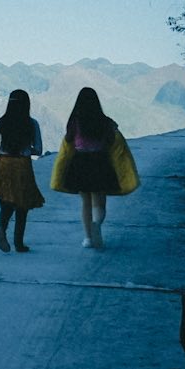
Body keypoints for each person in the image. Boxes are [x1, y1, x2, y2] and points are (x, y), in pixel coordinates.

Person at [52, 85, 122, 249]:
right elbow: (112, 140)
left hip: (80, 162)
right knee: (99, 202)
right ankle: (97, 223)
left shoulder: (75, 121)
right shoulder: (105, 121)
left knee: (85, 203)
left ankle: (88, 238)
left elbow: (69, 139)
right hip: (100, 161)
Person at [0, 88, 45, 252]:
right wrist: (25, 150)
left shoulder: (2, 122)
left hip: (3, 164)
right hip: (22, 166)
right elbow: (38, 150)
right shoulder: (32, 124)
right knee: (22, 205)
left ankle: (1, 228)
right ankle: (19, 243)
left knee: (6, 202)